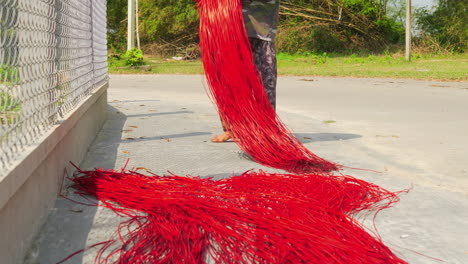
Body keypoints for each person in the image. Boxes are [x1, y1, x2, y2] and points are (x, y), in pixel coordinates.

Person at [211, 0, 280, 143]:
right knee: (228, 81)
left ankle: (266, 129)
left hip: (261, 28)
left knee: (265, 82)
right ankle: (232, 128)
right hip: (230, 27)